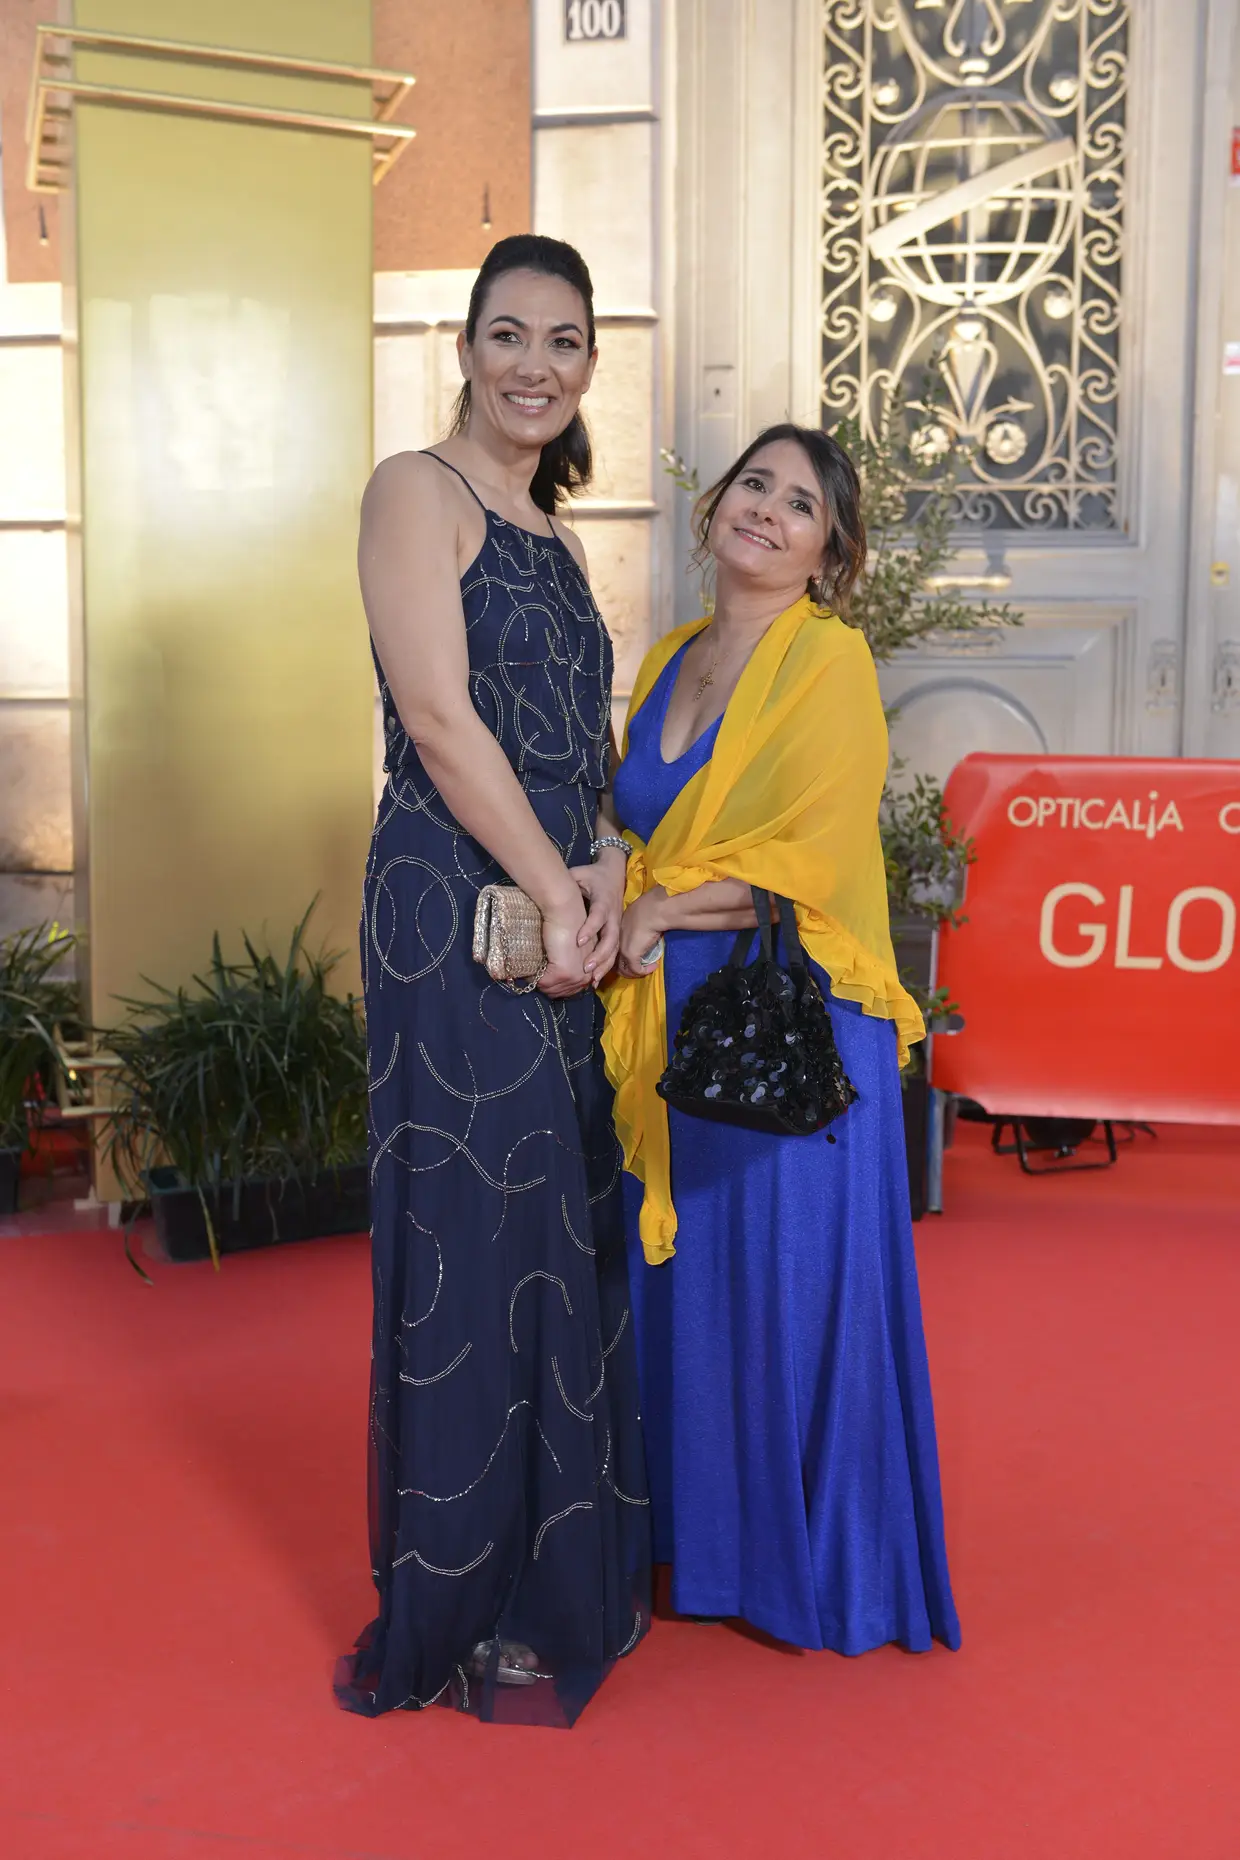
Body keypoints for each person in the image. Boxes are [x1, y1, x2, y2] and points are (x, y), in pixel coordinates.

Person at [336, 235, 650, 1728]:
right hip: (448, 907)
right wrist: (556, 888)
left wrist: (604, 875)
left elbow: (582, 752)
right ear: (462, 349)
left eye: (564, 340)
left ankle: (543, 1581)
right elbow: (439, 722)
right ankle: (461, 1605)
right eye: (508, 334)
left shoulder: (560, 541)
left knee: (551, 1231)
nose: (535, 364)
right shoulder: (415, 492)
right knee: (471, 1236)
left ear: (589, 365)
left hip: (549, 909)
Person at [602, 424, 961, 1656]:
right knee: (694, 1287)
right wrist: (605, 891)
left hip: (789, 1020)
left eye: (799, 504)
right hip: (672, 1009)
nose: (765, 509)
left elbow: (808, 860)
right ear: (715, 506)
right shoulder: (670, 657)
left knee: (786, 1288)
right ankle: (700, 1549)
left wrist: (656, 910)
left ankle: (811, 1563)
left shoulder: (829, 662)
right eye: (753, 484)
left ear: (829, 553)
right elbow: (633, 824)